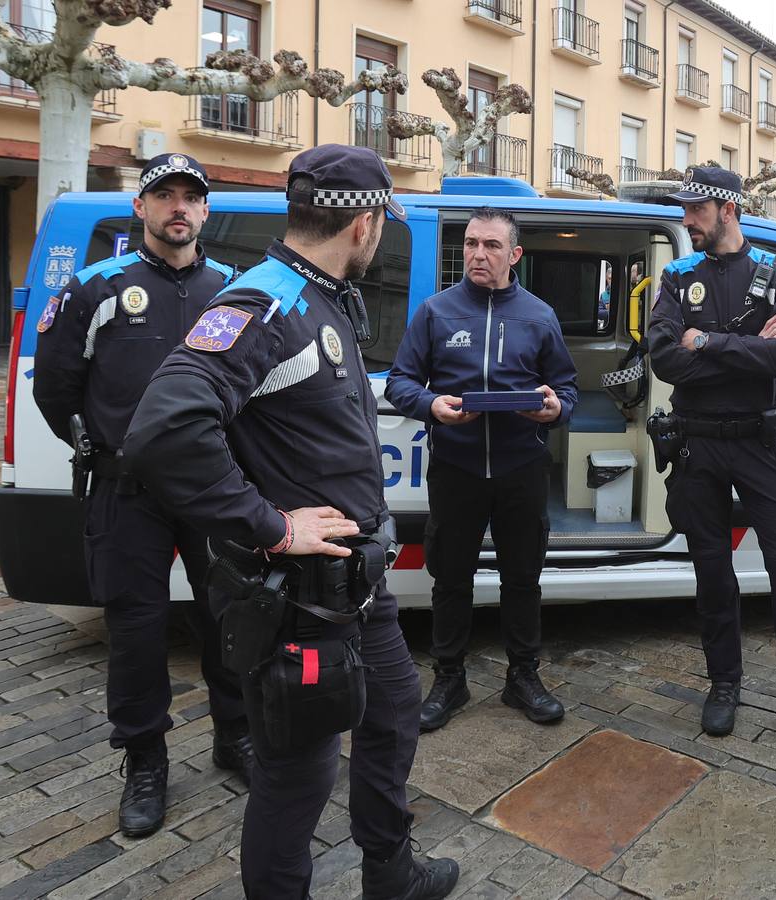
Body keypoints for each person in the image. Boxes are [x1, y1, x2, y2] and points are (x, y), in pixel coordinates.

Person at [123, 145, 458, 900]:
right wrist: (270, 524)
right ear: (364, 223)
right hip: (299, 599)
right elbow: (164, 428)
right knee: (297, 778)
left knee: (394, 712)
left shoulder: (322, 293)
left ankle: (390, 871)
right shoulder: (262, 303)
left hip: (352, 587)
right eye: (383, 224)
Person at [30, 152, 251, 840]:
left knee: (232, 620)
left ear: (206, 211)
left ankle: (234, 735)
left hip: (214, 491)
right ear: (141, 207)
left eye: (191, 197)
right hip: (128, 495)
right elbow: (54, 388)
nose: (178, 207)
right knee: (135, 632)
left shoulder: (235, 289)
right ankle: (146, 763)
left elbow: (257, 385)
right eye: (164, 196)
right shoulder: (96, 287)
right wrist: (104, 447)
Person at [645, 166, 776, 759]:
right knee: (712, 575)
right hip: (698, 446)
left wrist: (707, 341)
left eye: (695, 210)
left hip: (761, 446)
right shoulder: (679, 275)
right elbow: (663, 360)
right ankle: (724, 683)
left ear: (726, 208)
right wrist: (748, 346)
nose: (686, 220)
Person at [386, 206, 578, 732]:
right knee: (450, 577)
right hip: (457, 467)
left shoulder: (539, 316)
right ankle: (449, 678)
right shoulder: (435, 312)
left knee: (523, 577)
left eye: (491, 245)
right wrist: (432, 406)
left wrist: (553, 409)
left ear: (513, 254)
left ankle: (523, 677)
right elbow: (401, 383)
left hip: (521, 466)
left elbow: (566, 390)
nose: (477, 254)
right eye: (471, 243)